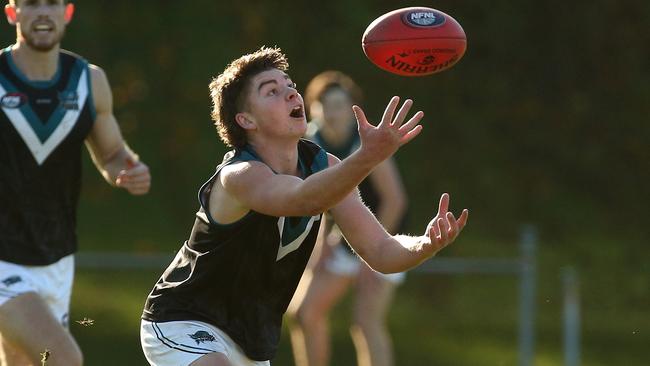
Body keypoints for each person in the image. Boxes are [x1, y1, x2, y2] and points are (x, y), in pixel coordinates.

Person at [140, 46, 467, 366]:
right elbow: (303, 199)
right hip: (182, 318)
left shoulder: (325, 165)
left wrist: (425, 244)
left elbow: (381, 250)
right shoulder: (239, 176)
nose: (292, 95)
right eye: (272, 91)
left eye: (290, 86)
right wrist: (368, 156)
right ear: (246, 120)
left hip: (247, 338)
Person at [0, 1, 151, 365]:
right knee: (64, 358)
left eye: (51, 3)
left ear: (66, 12)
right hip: (3, 257)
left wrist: (128, 169)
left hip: (56, 257)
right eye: (31, 3)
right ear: (12, 13)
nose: (42, 12)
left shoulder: (89, 80)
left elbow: (112, 151)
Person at [287, 71, 408, 366]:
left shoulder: (364, 142)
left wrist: (374, 255)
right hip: (345, 238)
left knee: (365, 321)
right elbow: (318, 201)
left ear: (352, 108)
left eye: (339, 104)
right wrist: (321, 246)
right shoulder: (311, 143)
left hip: (385, 233)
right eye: (323, 104)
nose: (331, 111)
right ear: (312, 109)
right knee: (304, 313)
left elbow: (395, 201)